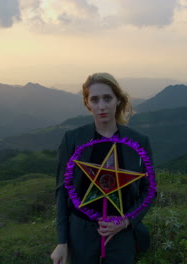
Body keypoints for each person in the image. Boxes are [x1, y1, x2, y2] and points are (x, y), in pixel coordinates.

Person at [51, 73, 154, 264]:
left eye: (107, 98)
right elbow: (62, 191)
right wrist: (62, 241)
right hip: (80, 233)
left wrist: (126, 221)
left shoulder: (139, 142)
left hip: (121, 234)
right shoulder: (72, 139)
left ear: (117, 100)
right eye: (95, 99)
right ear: (87, 103)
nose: (102, 106)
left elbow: (149, 190)